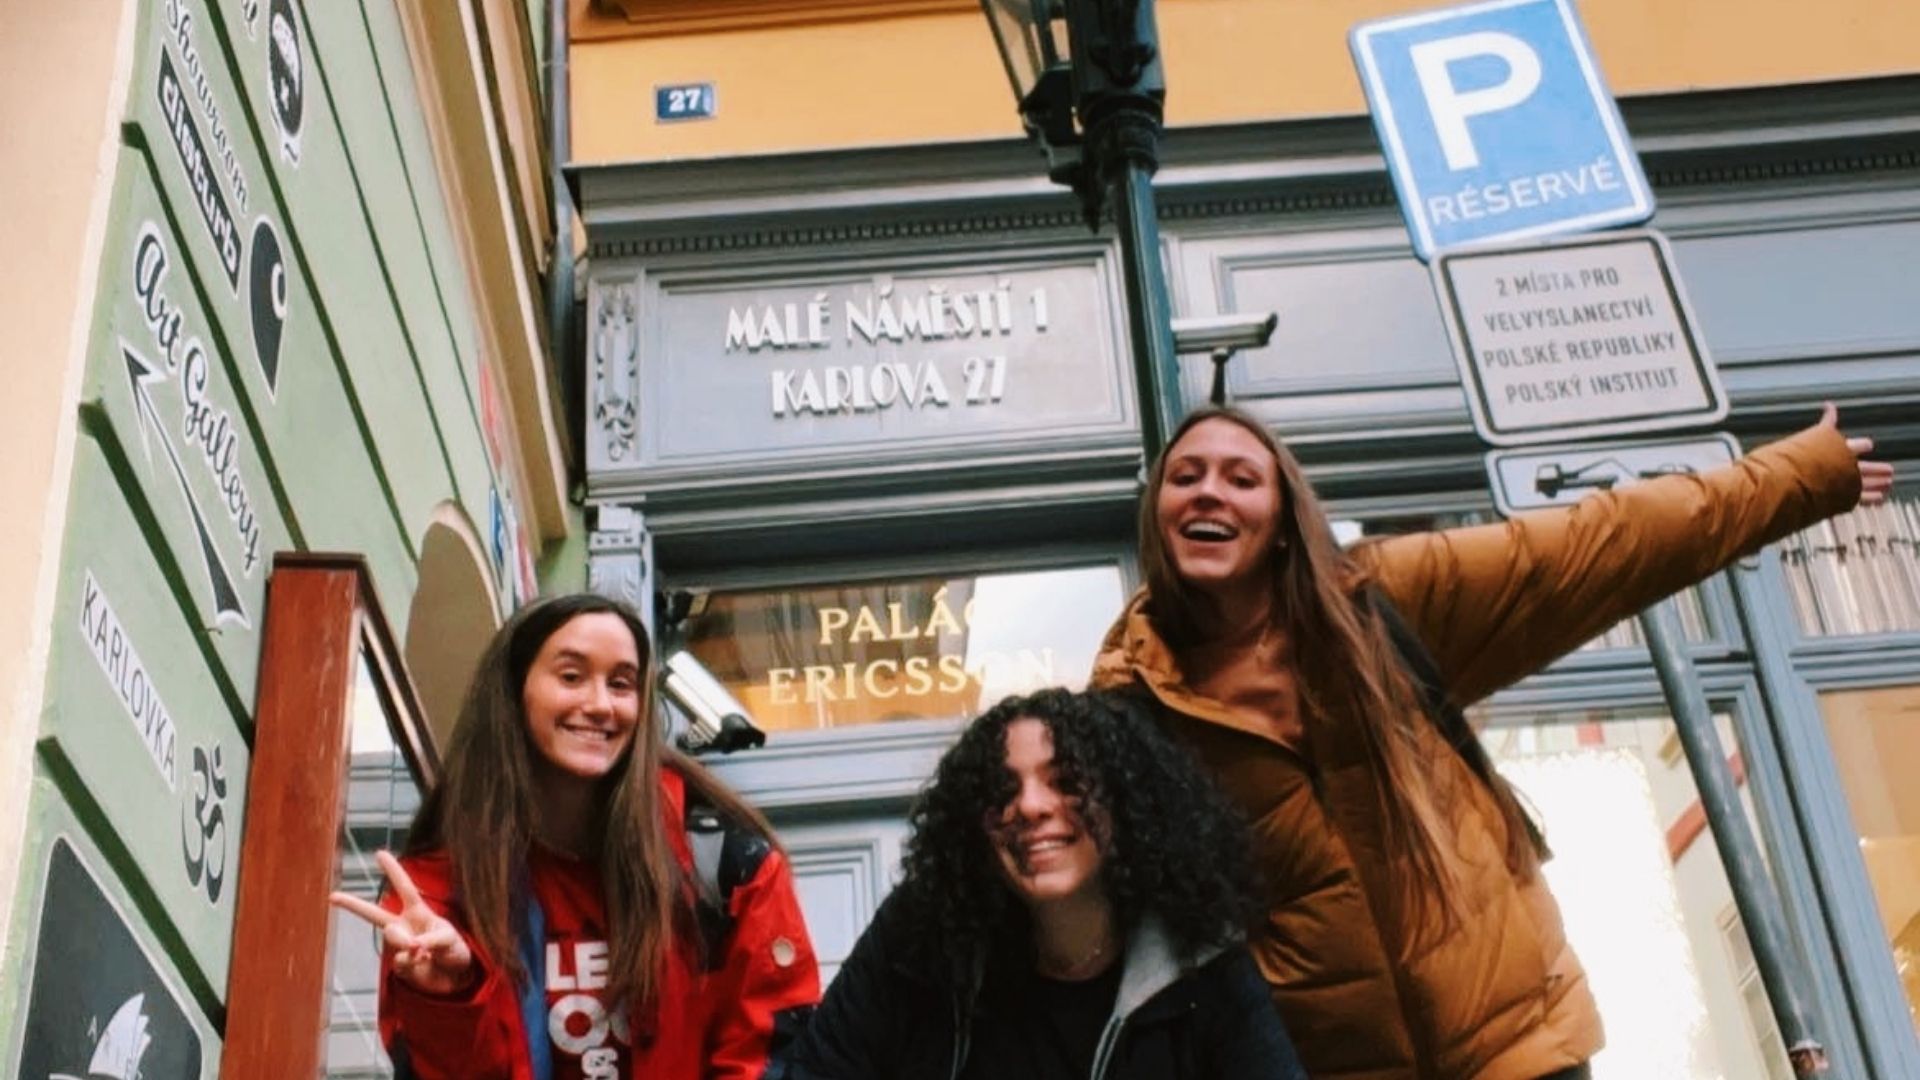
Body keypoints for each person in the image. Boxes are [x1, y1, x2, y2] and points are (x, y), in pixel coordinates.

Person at [1088, 403, 1895, 1080]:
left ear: (1283, 517)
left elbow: (1602, 543)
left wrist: (1800, 478)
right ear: (1156, 511)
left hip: (1522, 1046)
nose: (1209, 493)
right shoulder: (1133, 707)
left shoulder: (1382, 604)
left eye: (1241, 477)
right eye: (1185, 476)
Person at [330, 593, 820, 1080]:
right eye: (571, 677)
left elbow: (771, 1053)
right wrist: (449, 996)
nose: (600, 704)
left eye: (622, 684)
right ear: (515, 689)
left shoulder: (723, 865)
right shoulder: (442, 891)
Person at [782, 687, 1307, 1080]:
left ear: (1124, 803)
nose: (1030, 807)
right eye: (1002, 789)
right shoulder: (919, 938)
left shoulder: (1202, 964)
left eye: (1065, 781)